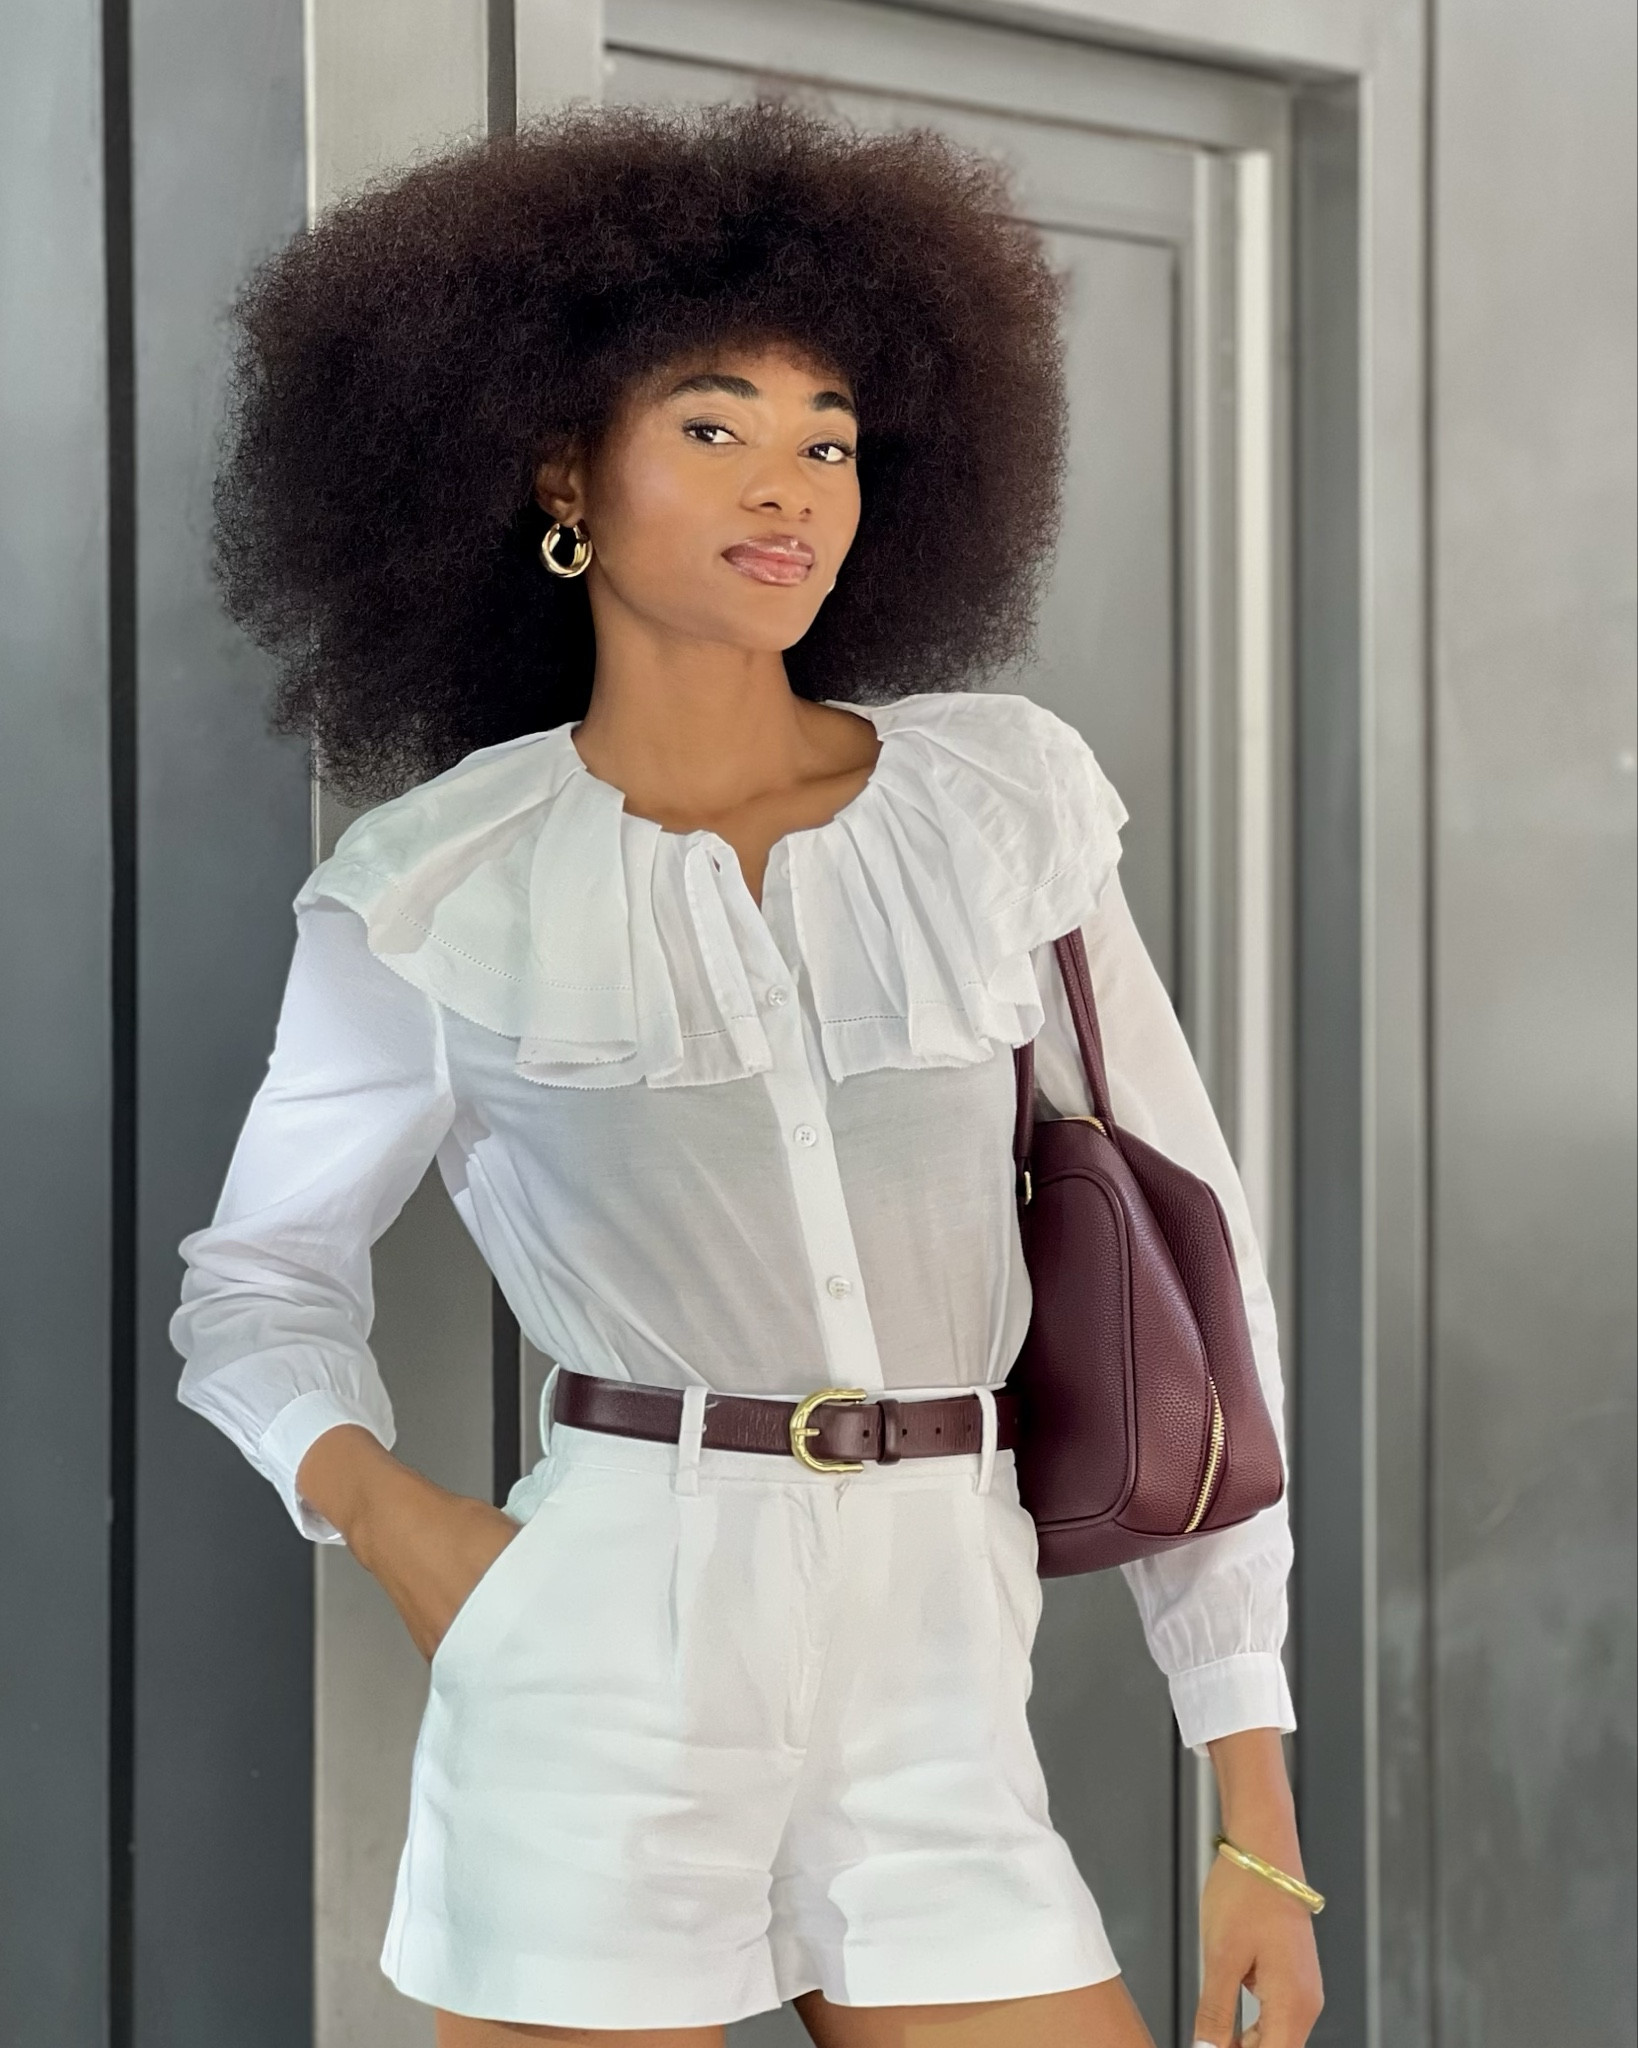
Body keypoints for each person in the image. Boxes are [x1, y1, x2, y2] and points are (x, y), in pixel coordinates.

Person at [170, 100, 1323, 2048]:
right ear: (562, 472)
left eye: (829, 439)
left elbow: (1200, 1293)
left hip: (943, 1684)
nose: (785, 485)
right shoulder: (439, 885)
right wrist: (393, 1515)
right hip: (600, 1669)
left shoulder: (999, 809)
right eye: (713, 426)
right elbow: (255, 1289)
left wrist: (1256, 1802)